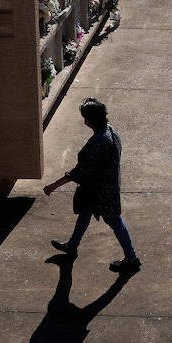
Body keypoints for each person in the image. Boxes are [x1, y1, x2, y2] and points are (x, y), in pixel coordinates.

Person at [43, 97, 141, 273]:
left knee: (115, 221)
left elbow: (79, 172)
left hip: (101, 191)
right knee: (86, 212)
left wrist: (53, 186)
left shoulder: (99, 142)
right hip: (105, 186)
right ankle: (72, 245)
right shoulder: (111, 131)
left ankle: (131, 258)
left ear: (89, 121)